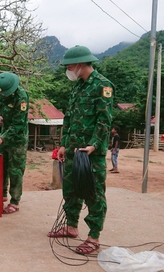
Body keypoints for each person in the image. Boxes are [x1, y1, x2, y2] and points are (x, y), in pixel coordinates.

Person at [47, 45, 114, 255]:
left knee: (93, 194)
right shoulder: (78, 87)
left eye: (69, 66)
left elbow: (104, 121)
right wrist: (64, 145)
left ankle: (93, 237)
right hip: (73, 149)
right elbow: (70, 119)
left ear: (80, 64)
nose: (68, 70)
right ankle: (71, 226)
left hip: (90, 153)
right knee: (71, 191)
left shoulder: (102, 85)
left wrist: (93, 145)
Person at [0, 72, 29, 214]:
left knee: (15, 170)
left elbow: (18, 125)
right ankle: (1, 194)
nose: (2, 97)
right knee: (1, 167)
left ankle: (15, 202)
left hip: (17, 139)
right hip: (4, 136)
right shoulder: (2, 94)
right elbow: (1, 109)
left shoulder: (21, 97)